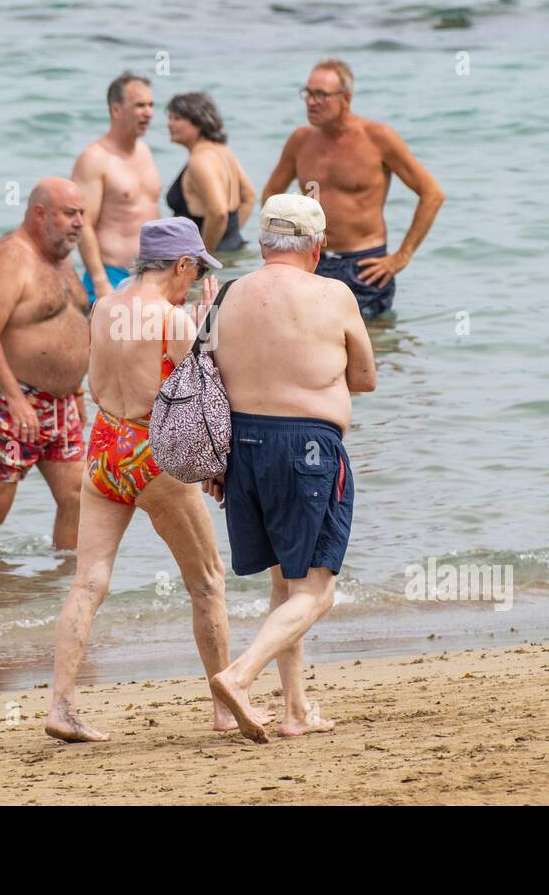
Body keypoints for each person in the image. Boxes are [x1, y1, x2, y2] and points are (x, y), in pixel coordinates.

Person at [45, 219, 275, 742]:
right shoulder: (172, 319)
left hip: (104, 445)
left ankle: (61, 705)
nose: (193, 284)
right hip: (154, 452)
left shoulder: (103, 307)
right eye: (194, 274)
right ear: (181, 265)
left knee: (88, 582)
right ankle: (221, 710)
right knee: (207, 582)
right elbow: (202, 383)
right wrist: (208, 320)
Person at [204, 193, 377, 743]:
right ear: (319, 247)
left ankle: (296, 712)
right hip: (307, 448)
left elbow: (211, 378)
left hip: (243, 448)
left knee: (286, 582)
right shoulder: (334, 293)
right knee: (317, 591)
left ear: (261, 244)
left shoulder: (230, 294)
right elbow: (365, 377)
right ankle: (239, 673)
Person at [0, 178, 89, 553]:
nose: (79, 222)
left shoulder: (60, 258)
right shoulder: (10, 257)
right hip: (5, 396)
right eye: (69, 213)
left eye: (82, 213)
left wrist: (75, 391)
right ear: (39, 213)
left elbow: (67, 324)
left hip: (58, 404)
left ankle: (64, 588)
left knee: (77, 496)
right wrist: (16, 400)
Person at [262, 58, 445, 317]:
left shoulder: (377, 137)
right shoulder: (300, 141)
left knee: (373, 349)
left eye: (321, 95)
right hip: (312, 262)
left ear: (346, 98)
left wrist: (401, 257)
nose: (311, 101)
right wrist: (280, 249)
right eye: (308, 93)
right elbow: (272, 195)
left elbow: (432, 194)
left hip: (365, 266)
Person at [72, 72, 162, 306]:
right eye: (140, 105)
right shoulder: (94, 158)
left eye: (151, 105)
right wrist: (100, 281)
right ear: (116, 110)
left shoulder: (145, 151)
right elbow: (83, 225)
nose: (149, 112)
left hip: (152, 275)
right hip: (113, 275)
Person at [164, 92, 255, 253]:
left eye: (177, 118)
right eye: (169, 118)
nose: (169, 124)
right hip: (232, 248)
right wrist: (229, 237)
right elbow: (249, 196)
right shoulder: (223, 151)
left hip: (213, 258)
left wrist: (204, 258)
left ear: (199, 122)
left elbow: (218, 213)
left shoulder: (200, 160)